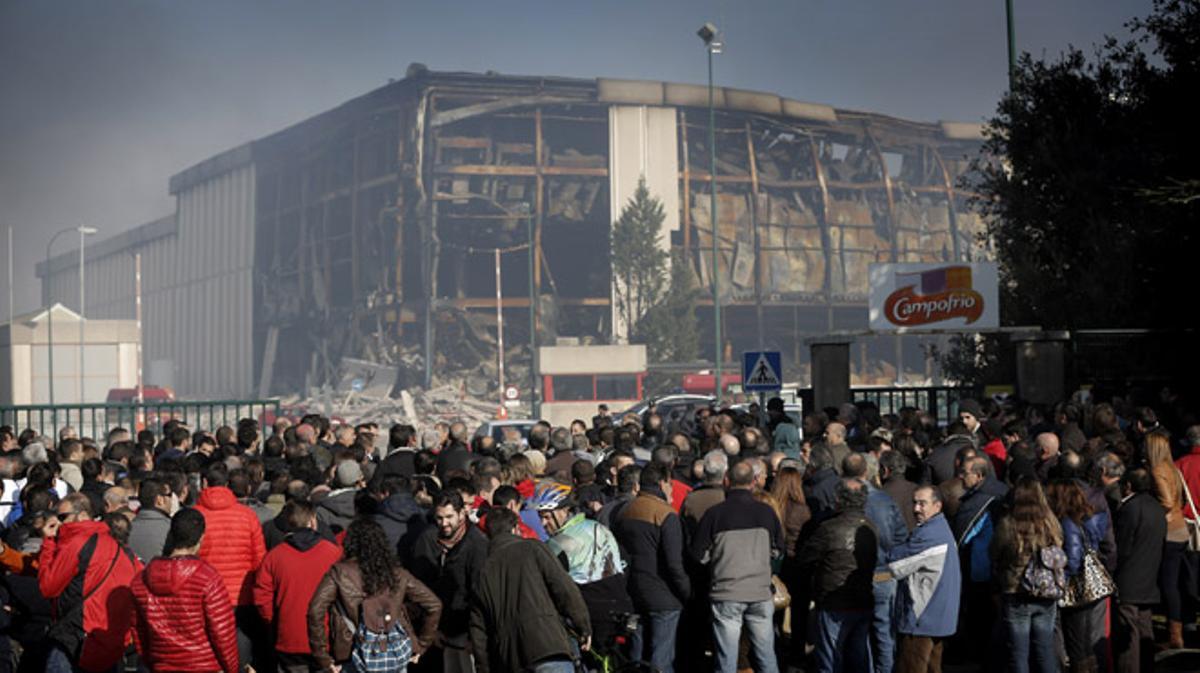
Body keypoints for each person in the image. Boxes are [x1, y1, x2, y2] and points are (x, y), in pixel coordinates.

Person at [308, 519, 443, 673]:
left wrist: (323, 658)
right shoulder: (397, 573)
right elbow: (433, 604)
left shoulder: (339, 573)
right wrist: (421, 645)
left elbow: (315, 611)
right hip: (395, 652)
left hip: (352, 653)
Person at [470, 507, 592, 673]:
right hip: (548, 646)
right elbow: (564, 588)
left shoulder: (481, 572)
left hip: (511, 659)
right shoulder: (533, 548)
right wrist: (583, 626)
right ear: (515, 529)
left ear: (488, 535)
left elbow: (479, 630)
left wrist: (484, 668)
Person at [692, 461, 784, 673]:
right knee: (766, 655)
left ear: (726, 480)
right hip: (759, 592)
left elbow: (698, 555)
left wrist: (719, 560)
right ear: (753, 483)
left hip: (726, 592)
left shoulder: (714, 514)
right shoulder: (766, 513)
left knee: (726, 660)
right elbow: (779, 550)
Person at [38, 492, 142, 673]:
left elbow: (47, 587)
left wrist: (48, 542)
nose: (60, 524)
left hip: (75, 640)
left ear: (83, 515)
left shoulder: (76, 543)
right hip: (108, 643)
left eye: (63, 517)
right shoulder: (125, 552)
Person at [529, 480, 632, 656]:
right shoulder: (598, 527)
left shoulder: (557, 544)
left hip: (589, 611)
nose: (543, 523)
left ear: (563, 511)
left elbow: (548, 585)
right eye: (540, 517)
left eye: (546, 516)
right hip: (620, 603)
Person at [130, 508, 239, 673]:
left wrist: (151, 662)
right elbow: (222, 633)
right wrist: (232, 668)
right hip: (204, 665)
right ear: (201, 537)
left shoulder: (140, 581)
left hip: (161, 664)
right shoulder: (207, 578)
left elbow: (138, 631)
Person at [611, 464, 690, 673]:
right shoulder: (666, 515)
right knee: (661, 660)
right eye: (670, 484)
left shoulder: (623, 511)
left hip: (632, 592)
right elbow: (674, 565)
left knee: (636, 656)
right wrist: (687, 593)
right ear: (662, 483)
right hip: (663, 596)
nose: (672, 489)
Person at [193, 461, 269, 670]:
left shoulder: (195, 515)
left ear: (204, 483)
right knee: (241, 644)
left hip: (206, 592)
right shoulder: (247, 515)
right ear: (227, 484)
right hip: (241, 593)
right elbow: (259, 559)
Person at [253, 500, 343, 672]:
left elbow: (262, 597)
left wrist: (276, 621)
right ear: (313, 521)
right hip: (325, 638)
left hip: (288, 637)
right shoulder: (333, 553)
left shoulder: (274, 556)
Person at [799, 479, 878, 673]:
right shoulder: (870, 527)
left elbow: (806, 557)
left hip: (834, 602)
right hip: (861, 600)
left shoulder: (829, 528)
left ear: (838, 500)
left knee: (831, 659)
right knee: (858, 656)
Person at [408, 491, 488, 673]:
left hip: (464, 637)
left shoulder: (476, 547)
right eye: (439, 518)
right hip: (445, 635)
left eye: (449, 517)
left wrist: (474, 638)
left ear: (462, 514)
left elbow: (478, 595)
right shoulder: (436, 541)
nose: (444, 523)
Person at [990, 478, 1062, 673]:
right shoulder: (1050, 522)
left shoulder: (1008, 524)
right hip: (1046, 591)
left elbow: (995, 553)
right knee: (1044, 649)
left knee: (1018, 653)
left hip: (1016, 591)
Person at [887, 486, 960, 673]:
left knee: (912, 667)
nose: (916, 509)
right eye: (915, 502)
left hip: (922, 620)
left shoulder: (930, 536)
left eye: (922, 503)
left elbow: (896, 564)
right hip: (937, 617)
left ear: (937, 506)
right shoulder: (941, 529)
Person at [1046, 479, 1109, 673]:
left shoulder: (1067, 522)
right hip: (1087, 588)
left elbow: (1073, 559)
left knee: (1076, 644)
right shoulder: (1089, 517)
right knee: (1083, 642)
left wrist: (1059, 580)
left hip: (1075, 589)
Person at [1113, 468, 1165, 673]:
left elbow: (1122, 546)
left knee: (1129, 633)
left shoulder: (1130, 508)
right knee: (1144, 627)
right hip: (1149, 575)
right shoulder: (1157, 507)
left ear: (1127, 486)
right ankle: (1147, 666)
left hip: (1129, 577)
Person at [1146, 431, 1189, 649]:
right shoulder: (1171, 468)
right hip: (1180, 529)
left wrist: (1151, 516)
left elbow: (1167, 501)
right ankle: (1176, 632)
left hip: (1169, 532)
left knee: (1168, 584)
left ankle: (1175, 636)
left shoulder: (1157, 470)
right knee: (1174, 583)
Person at [769, 465, 811, 669]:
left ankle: (774, 652)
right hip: (798, 565)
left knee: (773, 611)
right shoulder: (803, 510)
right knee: (799, 613)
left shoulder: (771, 506)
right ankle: (797, 655)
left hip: (776, 566)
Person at [128, 477, 174, 563]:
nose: (172, 500)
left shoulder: (125, 529)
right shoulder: (172, 530)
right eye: (170, 495)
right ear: (160, 500)